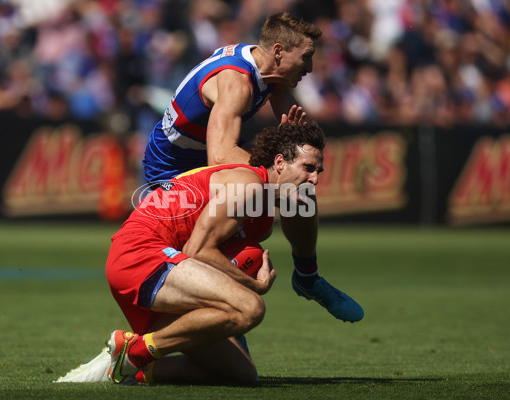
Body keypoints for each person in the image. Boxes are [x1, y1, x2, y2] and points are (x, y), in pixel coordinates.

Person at [141, 11, 363, 323]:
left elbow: (301, 142)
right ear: (278, 51)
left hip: (204, 161)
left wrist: (294, 150)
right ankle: (212, 313)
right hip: (172, 172)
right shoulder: (236, 83)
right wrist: (274, 178)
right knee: (238, 247)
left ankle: (307, 277)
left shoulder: (271, 74)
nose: (310, 69)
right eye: (307, 58)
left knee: (299, 193)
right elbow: (219, 156)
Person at [97, 121, 327, 385]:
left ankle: (129, 372)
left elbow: (218, 256)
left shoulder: (262, 215)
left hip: (165, 262)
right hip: (141, 253)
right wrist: (252, 284)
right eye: (308, 168)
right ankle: (134, 352)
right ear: (279, 162)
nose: (315, 179)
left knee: (240, 375)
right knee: (249, 308)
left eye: (319, 171)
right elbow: (199, 251)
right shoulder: (249, 186)